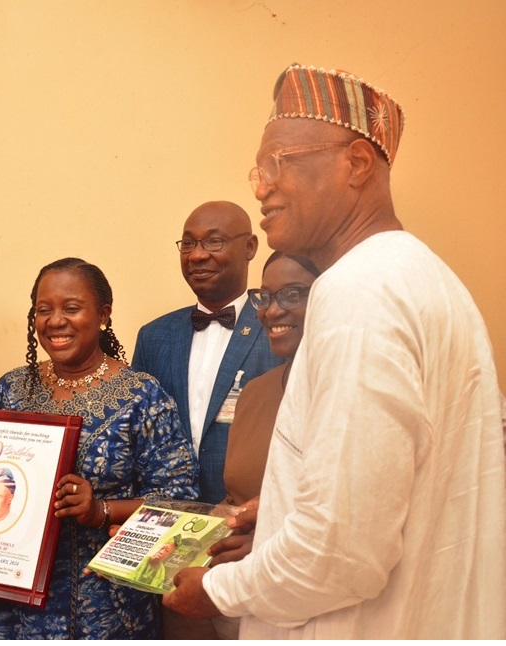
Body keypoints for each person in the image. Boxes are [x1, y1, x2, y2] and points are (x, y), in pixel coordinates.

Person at [164, 63, 506, 639]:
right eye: (259, 168)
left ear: (357, 164)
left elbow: (340, 553)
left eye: (281, 163)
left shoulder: (359, 292)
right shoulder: (424, 276)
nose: (260, 185)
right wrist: (272, 511)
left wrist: (217, 590)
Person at [0, 257, 198, 639]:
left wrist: (101, 511)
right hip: (19, 610)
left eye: (72, 308)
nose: (55, 321)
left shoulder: (142, 397)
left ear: (103, 315)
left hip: (111, 610)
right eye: (43, 310)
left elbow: (180, 504)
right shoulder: (10, 391)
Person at [132, 201, 281, 505]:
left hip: (250, 522)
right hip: (167, 521)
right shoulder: (153, 336)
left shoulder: (278, 330)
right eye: (188, 243)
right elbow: (139, 435)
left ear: (250, 247)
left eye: (214, 241)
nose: (197, 255)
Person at [220, 251, 320, 510]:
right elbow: (235, 501)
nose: (272, 311)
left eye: (292, 295)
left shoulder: (355, 391)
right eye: (266, 297)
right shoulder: (254, 393)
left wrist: (264, 532)